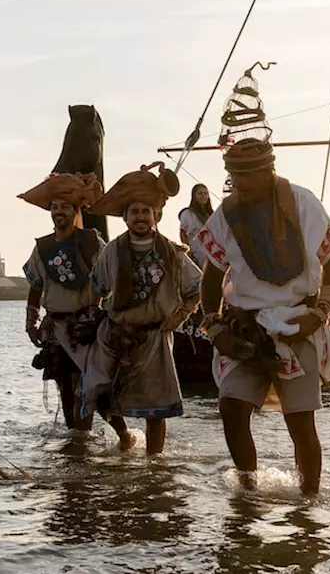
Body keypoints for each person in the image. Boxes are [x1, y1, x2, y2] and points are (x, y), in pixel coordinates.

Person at [196, 135, 330, 496]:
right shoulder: (226, 215)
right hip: (246, 326)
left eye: (246, 175)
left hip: (298, 324)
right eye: (233, 175)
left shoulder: (304, 204)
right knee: (231, 409)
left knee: (301, 423)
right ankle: (248, 490)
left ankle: (309, 502)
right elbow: (213, 274)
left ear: (268, 171)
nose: (239, 184)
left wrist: (321, 312)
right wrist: (214, 325)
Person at [79, 163, 202, 455]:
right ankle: (125, 436)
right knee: (95, 392)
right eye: (134, 212)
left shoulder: (172, 252)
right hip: (113, 334)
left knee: (156, 408)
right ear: (126, 217)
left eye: (146, 211)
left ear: (155, 215)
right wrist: (91, 317)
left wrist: (181, 316)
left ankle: (154, 463)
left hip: (155, 336)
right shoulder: (112, 250)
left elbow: (196, 288)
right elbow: (95, 286)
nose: (141, 217)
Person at [17, 172, 131, 444]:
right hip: (56, 326)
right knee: (65, 384)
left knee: (94, 385)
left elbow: (110, 275)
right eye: (54, 207)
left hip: (87, 325)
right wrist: (31, 323)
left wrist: (103, 312)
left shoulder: (92, 241)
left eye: (64, 207)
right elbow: (35, 286)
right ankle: (77, 437)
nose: (58, 212)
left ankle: (123, 435)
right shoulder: (42, 247)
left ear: (75, 210)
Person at [178, 183, 215, 269]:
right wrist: (189, 254)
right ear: (194, 196)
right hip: (197, 254)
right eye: (200, 193)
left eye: (206, 193)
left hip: (213, 255)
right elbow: (183, 234)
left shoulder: (211, 215)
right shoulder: (188, 213)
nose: (203, 196)